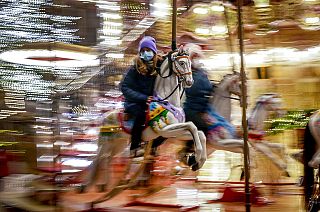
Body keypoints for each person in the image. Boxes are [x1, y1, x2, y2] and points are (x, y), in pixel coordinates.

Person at [181, 43, 236, 161]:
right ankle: (189, 149)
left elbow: (209, 86)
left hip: (205, 107)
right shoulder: (186, 74)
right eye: (193, 57)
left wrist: (220, 86)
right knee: (201, 126)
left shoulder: (202, 72)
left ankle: (212, 145)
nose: (196, 59)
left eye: (197, 57)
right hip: (192, 108)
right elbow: (191, 88)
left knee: (220, 122)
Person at [120, 36, 164, 157]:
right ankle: (134, 147)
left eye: (148, 50)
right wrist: (143, 98)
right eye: (143, 51)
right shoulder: (135, 69)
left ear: (154, 52)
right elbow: (125, 87)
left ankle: (154, 144)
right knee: (140, 115)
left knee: (166, 119)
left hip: (152, 102)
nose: (145, 53)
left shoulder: (159, 65)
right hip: (135, 102)